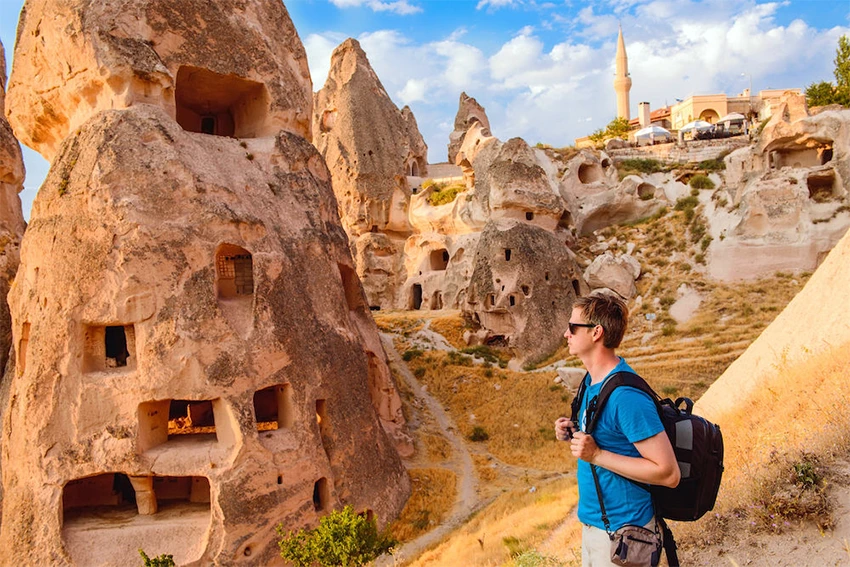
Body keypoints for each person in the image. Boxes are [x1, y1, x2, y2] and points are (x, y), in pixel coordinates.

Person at [555, 294, 680, 567]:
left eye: (573, 327)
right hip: (595, 529)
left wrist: (597, 455)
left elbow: (669, 473)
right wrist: (573, 431)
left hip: (626, 533)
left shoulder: (625, 396)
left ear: (596, 333)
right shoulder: (591, 382)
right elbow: (610, 436)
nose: (566, 333)